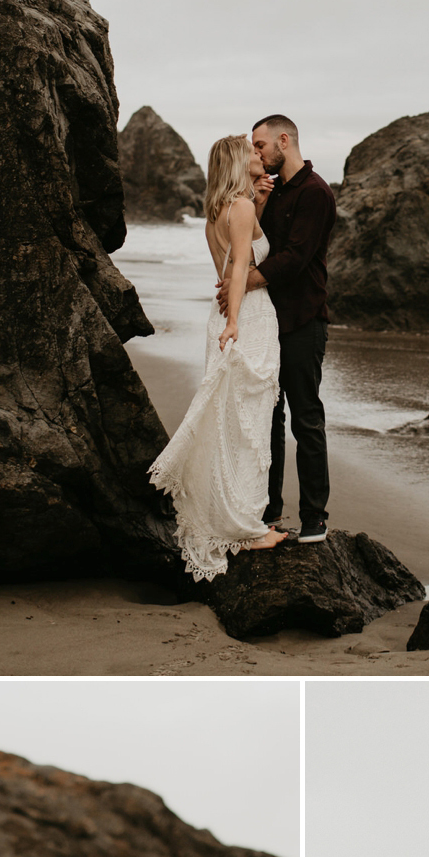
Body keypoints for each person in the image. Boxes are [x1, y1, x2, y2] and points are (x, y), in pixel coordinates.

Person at [148, 132, 288, 578]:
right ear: (235, 162)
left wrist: (260, 205)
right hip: (249, 317)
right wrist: (234, 323)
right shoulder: (242, 207)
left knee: (231, 420)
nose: (259, 154)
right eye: (251, 151)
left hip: (225, 315)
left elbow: (229, 262)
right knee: (248, 422)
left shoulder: (218, 211)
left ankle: (232, 515)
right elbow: (244, 266)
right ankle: (247, 527)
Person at [217, 112, 335, 545]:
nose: (258, 153)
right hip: (264, 321)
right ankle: (267, 512)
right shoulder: (273, 191)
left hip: (304, 321)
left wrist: (241, 282)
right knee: (267, 418)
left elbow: (296, 258)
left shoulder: (316, 193)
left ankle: (314, 518)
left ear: (283, 141)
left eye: (261, 145)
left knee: (306, 419)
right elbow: (251, 242)